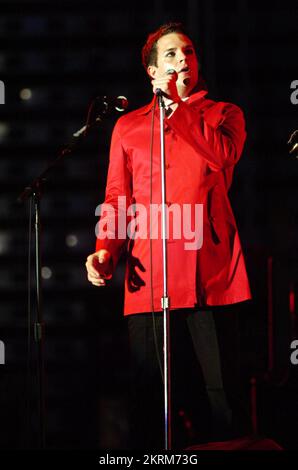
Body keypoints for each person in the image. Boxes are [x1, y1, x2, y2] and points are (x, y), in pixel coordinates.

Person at [85, 22, 252, 449]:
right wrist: (105, 251)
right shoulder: (130, 127)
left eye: (190, 53)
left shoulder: (223, 114)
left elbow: (222, 155)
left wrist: (181, 108)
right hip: (150, 275)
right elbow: (118, 197)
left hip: (209, 273)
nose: (184, 61)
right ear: (152, 70)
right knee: (149, 401)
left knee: (221, 397)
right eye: (173, 55)